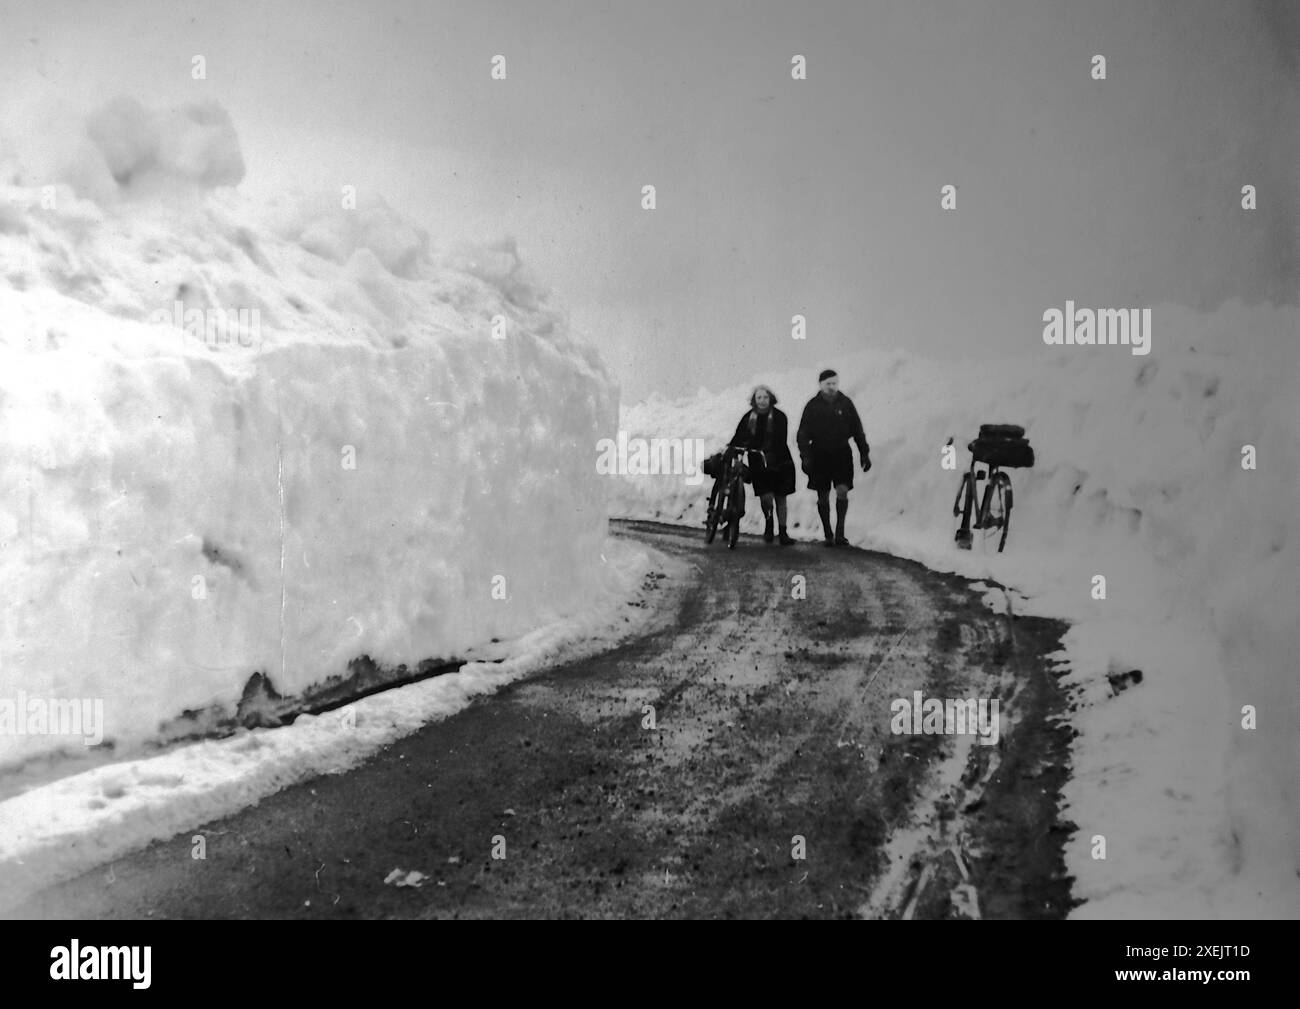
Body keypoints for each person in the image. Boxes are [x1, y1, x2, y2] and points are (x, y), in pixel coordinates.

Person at [796, 369, 871, 546]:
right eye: (828, 384)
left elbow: (857, 430)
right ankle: (828, 534)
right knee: (823, 495)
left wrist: (864, 453)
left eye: (834, 383)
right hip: (819, 455)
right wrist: (806, 456)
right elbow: (802, 434)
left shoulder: (845, 403)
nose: (831, 387)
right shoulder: (812, 406)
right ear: (821, 385)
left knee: (842, 490)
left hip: (842, 454)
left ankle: (840, 533)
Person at [730, 385, 796, 545]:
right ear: (754, 400)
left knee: (781, 497)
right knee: (766, 497)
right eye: (759, 398)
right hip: (758, 463)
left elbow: (780, 439)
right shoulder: (748, 418)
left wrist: (768, 452)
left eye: (765, 397)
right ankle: (769, 524)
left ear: (770, 398)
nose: (762, 401)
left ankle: (782, 531)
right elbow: (738, 437)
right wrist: (734, 449)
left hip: (779, 461)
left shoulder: (780, 417)